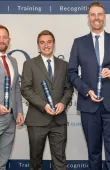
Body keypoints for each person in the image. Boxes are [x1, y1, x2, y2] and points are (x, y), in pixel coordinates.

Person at [68, 2, 110, 170]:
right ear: (88, 18)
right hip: (88, 104)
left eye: (99, 14)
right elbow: (71, 73)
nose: (96, 18)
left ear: (104, 17)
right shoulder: (79, 43)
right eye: (92, 14)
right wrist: (86, 90)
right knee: (93, 152)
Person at [21, 30, 73, 170]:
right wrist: (44, 105)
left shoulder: (64, 65)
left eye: (49, 42)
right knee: (36, 161)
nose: (46, 45)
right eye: (42, 42)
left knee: (60, 161)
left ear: (54, 44)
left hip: (59, 120)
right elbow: (25, 89)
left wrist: (63, 102)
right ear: (38, 45)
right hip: (37, 120)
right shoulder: (29, 64)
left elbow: (69, 88)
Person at [0, 25, 24, 170]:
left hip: (11, 118)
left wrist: (19, 111)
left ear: (9, 41)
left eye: (4, 37)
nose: (1, 40)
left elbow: (15, 88)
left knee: (3, 159)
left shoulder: (13, 61)